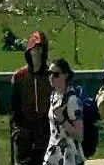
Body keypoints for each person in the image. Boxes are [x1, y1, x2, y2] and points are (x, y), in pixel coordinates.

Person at [11, 32, 53, 165]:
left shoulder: (51, 74)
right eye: (35, 48)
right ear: (29, 50)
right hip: (25, 128)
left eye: (41, 48)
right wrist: (17, 128)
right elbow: (14, 106)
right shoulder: (19, 76)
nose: (38, 51)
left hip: (46, 128)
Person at [44, 58, 85, 165]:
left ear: (65, 75)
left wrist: (62, 119)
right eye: (49, 73)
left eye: (56, 74)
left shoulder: (72, 100)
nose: (51, 77)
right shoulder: (54, 95)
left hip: (69, 156)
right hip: (53, 154)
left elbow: (79, 136)